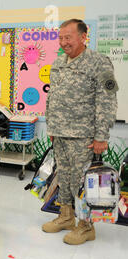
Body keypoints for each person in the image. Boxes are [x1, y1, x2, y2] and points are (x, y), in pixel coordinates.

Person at [43, 19, 118, 245]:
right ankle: (66, 216)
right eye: (61, 37)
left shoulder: (99, 63)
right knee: (64, 178)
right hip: (60, 132)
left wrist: (101, 136)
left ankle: (86, 226)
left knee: (82, 181)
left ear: (84, 36)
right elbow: (53, 97)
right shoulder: (58, 63)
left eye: (69, 37)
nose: (64, 42)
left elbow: (107, 100)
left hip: (84, 136)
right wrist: (52, 126)